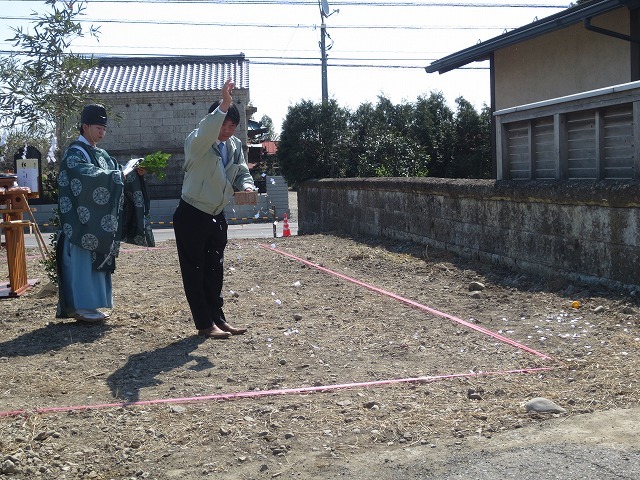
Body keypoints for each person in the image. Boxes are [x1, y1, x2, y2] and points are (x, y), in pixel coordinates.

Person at [173, 79, 256, 339]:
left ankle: (218, 318)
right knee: (194, 270)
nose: (227, 131)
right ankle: (204, 324)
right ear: (213, 120)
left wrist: (247, 186)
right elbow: (206, 129)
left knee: (214, 269)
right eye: (223, 124)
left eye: (232, 126)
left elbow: (241, 171)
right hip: (192, 213)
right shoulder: (197, 142)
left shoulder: (233, 146)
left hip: (216, 215)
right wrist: (225, 104)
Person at [56, 104, 152, 322]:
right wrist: (117, 176)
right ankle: (81, 307)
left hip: (97, 222)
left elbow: (116, 172)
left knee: (95, 263)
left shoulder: (101, 154)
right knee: (81, 263)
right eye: (98, 127)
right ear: (85, 126)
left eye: (104, 128)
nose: (102, 132)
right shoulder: (74, 154)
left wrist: (134, 172)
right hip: (80, 223)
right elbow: (88, 176)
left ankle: (92, 305)